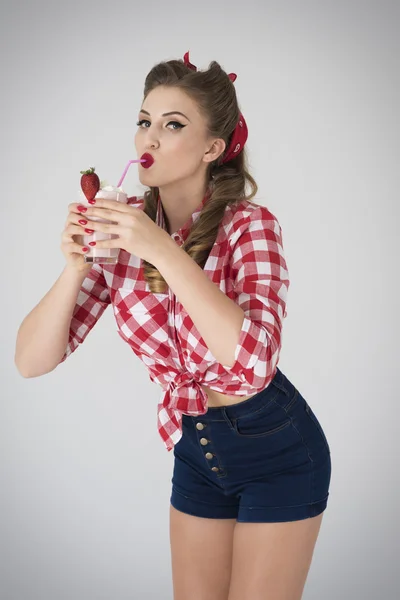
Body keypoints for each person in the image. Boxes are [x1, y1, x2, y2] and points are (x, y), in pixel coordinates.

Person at [15, 52, 332, 600]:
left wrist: (162, 249)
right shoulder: (124, 230)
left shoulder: (249, 228)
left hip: (276, 447)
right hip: (195, 447)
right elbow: (30, 362)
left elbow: (255, 362)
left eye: (172, 124)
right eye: (144, 121)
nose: (150, 138)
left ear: (214, 148)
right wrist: (74, 269)